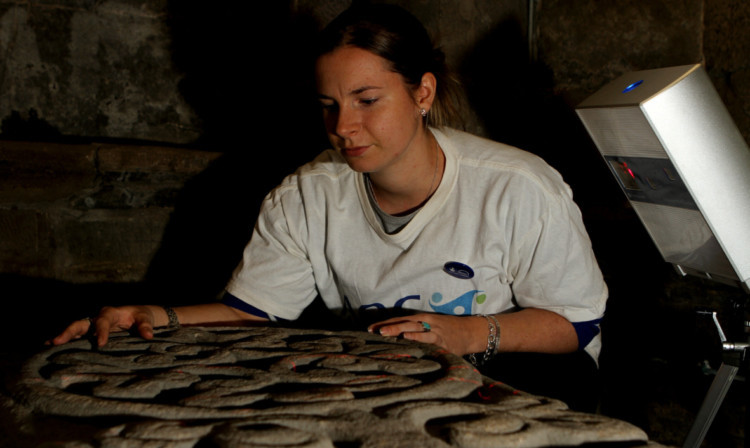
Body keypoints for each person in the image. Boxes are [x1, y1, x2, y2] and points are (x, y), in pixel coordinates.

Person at [51, 4, 607, 411]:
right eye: (329, 106)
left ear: (423, 93)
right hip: (391, 386)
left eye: (367, 101)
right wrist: (157, 316)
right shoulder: (306, 196)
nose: (344, 127)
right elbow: (253, 313)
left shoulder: (518, 186)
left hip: (515, 381)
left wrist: (467, 334)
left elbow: (576, 325)